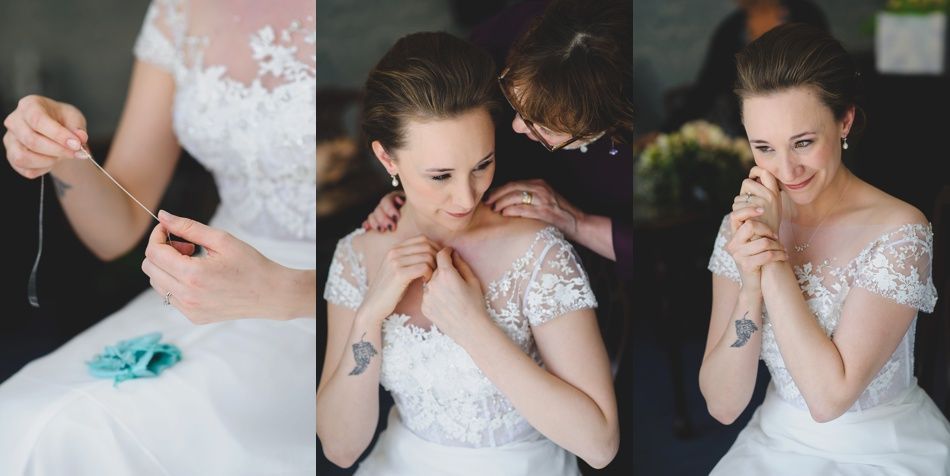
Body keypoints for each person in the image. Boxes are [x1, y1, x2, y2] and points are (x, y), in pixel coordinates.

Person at [0, 0, 316, 473]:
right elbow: (117, 228)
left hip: (325, 301)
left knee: (96, 434)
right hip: (196, 291)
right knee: (25, 418)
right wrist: (64, 151)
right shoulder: (179, 10)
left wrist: (279, 291)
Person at [317, 32, 619, 475]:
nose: (466, 196)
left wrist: (473, 327)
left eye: (482, 164)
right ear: (387, 158)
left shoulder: (537, 252)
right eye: (440, 175)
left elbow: (600, 444)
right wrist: (368, 319)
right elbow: (341, 449)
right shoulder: (355, 257)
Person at [700, 23, 950, 474]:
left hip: (881, 450)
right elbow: (722, 404)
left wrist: (770, 257)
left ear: (844, 121)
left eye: (803, 142)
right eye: (764, 147)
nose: (786, 169)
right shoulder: (740, 227)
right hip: (775, 441)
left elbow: (828, 398)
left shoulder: (899, 231)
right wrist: (750, 286)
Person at [362, 0, 634, 283]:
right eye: (514, 100)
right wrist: (410, 190)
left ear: (604, 127)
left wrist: (578, 224)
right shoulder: (500, 43)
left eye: (545, 127)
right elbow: (425, 125)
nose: (515, 125)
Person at [662, 0, 828, 137]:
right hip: (750, 128)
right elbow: (707, 88)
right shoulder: (731, 30)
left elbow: (826, 69)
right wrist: (665, 131)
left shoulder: (805, 14)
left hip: (806, 116)